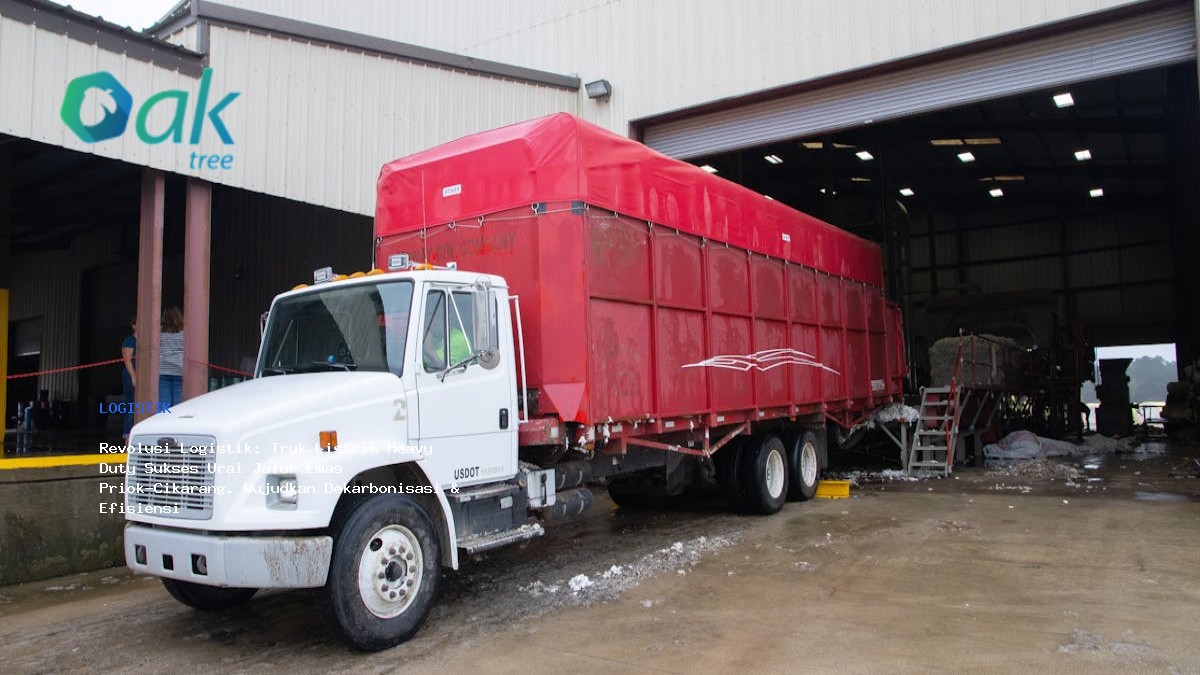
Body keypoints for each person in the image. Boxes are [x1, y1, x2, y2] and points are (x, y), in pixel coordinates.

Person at [159, 307, 185, 409]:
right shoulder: (184, 334)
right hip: (179, 371)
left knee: (163, 407)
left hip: (163, 371)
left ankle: (162, 424)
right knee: (178, 407)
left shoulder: (159, 334)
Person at [120, 317, 136, 441]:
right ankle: (127, 438)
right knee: (132, 405)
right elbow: (127, 360)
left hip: (141, 376)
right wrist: (133, 376)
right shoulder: (130, 341)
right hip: (131, 375)